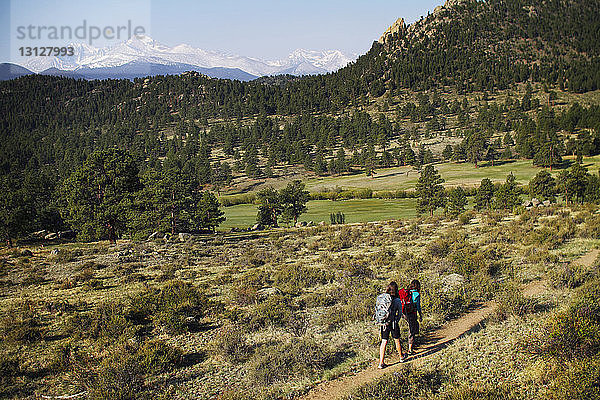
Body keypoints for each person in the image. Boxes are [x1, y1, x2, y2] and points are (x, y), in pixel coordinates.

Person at [378, 281, 406, 369]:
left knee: (384, 341)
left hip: (384, 323)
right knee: (396, 339)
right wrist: (396, 320)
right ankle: (401, 357)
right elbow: (400, 313)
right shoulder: (397, 300)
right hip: (393, 322)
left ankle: (381, 362)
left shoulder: (384, 298)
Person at [405, 279, 423, 355]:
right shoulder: (417, 294)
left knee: (412, 327)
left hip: (404, 313)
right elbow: (418, 306)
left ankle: (412, 344)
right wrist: (420, 315)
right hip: (412, 313)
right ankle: (410, 349)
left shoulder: (407, 292)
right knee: (412, 329)